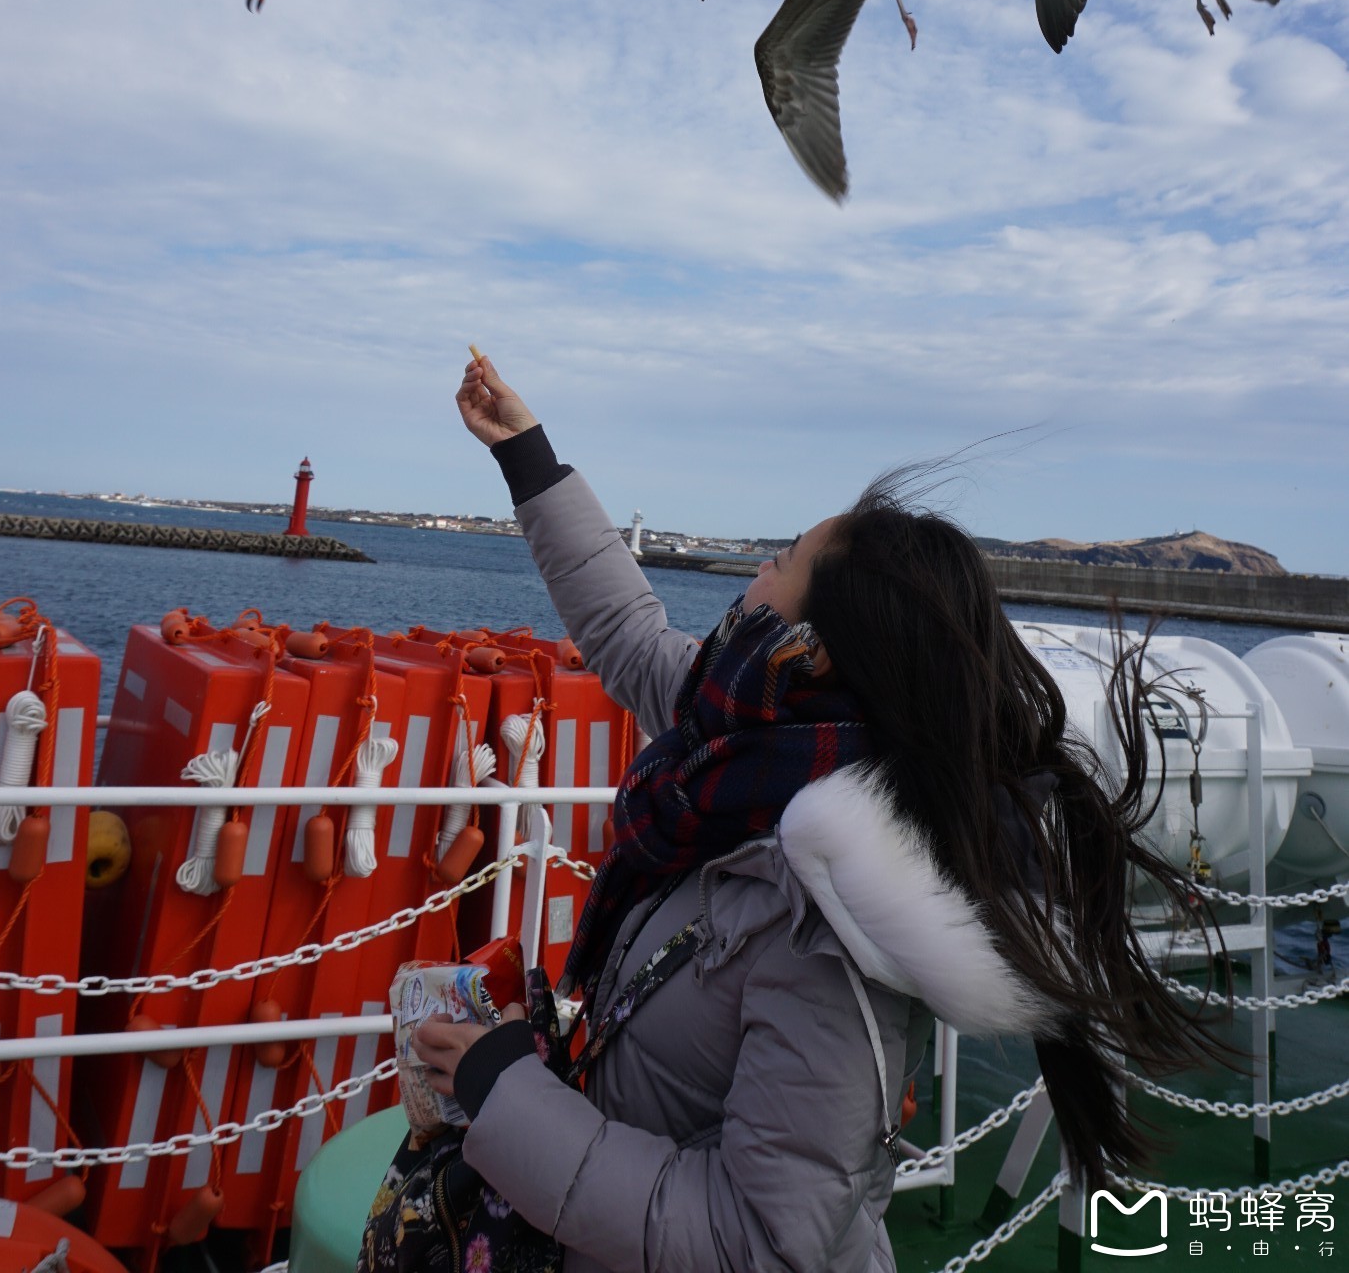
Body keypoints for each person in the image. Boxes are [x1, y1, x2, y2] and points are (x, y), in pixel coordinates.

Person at [412, 355, 1217, 1272]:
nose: (754, 566)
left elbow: (758, 1243)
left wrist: (506, 1091)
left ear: (809, 651)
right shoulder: (757, 742)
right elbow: (627, 633)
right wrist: (528, 454)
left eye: (780, 559)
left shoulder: (832, 921)